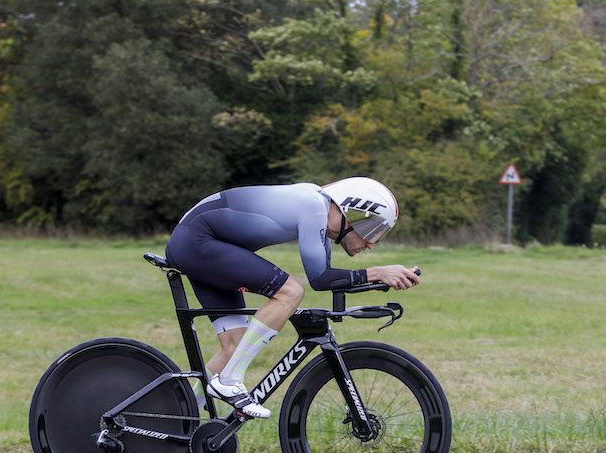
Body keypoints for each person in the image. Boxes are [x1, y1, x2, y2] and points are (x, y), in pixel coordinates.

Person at [164, 177, 420, 418]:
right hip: (198, 241)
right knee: (291, 291)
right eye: (370, 227)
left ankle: (180, 417)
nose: (370, 242)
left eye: (377, 232)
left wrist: (380, 278)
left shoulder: (316, 206)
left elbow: (332, 278)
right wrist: (379, 272)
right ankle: (229, 381)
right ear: (346, 209)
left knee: (235, 346)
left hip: (199, 241)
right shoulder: (313, 205)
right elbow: (320, 279)